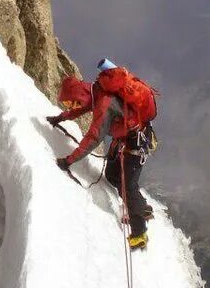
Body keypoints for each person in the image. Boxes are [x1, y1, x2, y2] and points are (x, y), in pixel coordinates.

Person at [47, 59, 156, 250]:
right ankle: (142, 208)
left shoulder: (104, 103)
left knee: (127, 186)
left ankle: (139, 234)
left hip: (136, 144)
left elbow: (93, 138)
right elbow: (80, 109)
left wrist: (68, 161)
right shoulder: (95, 91)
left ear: (78, 93)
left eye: (71, 100)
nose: (71, 104)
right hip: (129, 140)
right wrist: (59, 118)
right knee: (113, 176)